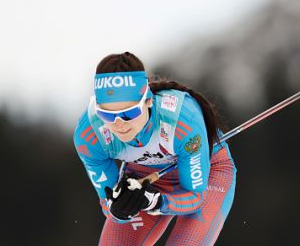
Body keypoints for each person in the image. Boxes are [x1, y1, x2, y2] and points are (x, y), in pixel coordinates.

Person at [73, 52, 237, 245]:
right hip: (145, 178)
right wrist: (118, 207)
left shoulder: (181, 122)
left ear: (148, 101)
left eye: (129, 113)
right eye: (108, 115)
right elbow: (108, 204)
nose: (119, 124)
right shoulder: (90, 135)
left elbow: (195, 197)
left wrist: (156, 201)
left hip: (208, 172)